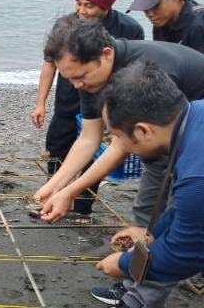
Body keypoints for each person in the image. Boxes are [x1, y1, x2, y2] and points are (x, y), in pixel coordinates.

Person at [35, 17, 204, 226]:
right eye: (69, 78)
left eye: (80, 76)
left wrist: (71, 190)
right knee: (151, 209)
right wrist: (56, 185)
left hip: (193, 126)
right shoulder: (90, 78)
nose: (76, 85)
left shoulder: (144, 73)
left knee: (172, 207)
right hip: (168, 132)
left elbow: (123, 144)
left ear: (106, 54)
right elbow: (89, 138)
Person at [90, 62, 204, 308]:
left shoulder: (197, 177)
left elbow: (183, 256)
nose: (119, 145)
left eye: (118, 137)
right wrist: (152, 233)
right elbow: (183, 211)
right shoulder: (195, 115)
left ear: (143, 131)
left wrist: (123, 265)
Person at [31, 0, 144, 222]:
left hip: (107, 99)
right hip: (69, 100)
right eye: (78, 3)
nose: (82, 10)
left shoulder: (129, 29)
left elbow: (134, 73)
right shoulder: (64, 25)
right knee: (58, 146)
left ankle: (82, 206)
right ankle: (52, 195)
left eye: (89, 5)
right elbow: (49, 64)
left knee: (95, 152)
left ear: (107, 6)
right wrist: (40, 102)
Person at [126, 0, 204, 54]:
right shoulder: (161, 21)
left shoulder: (199, 27)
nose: (150, 14)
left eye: (155, 5)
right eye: (145, 7)